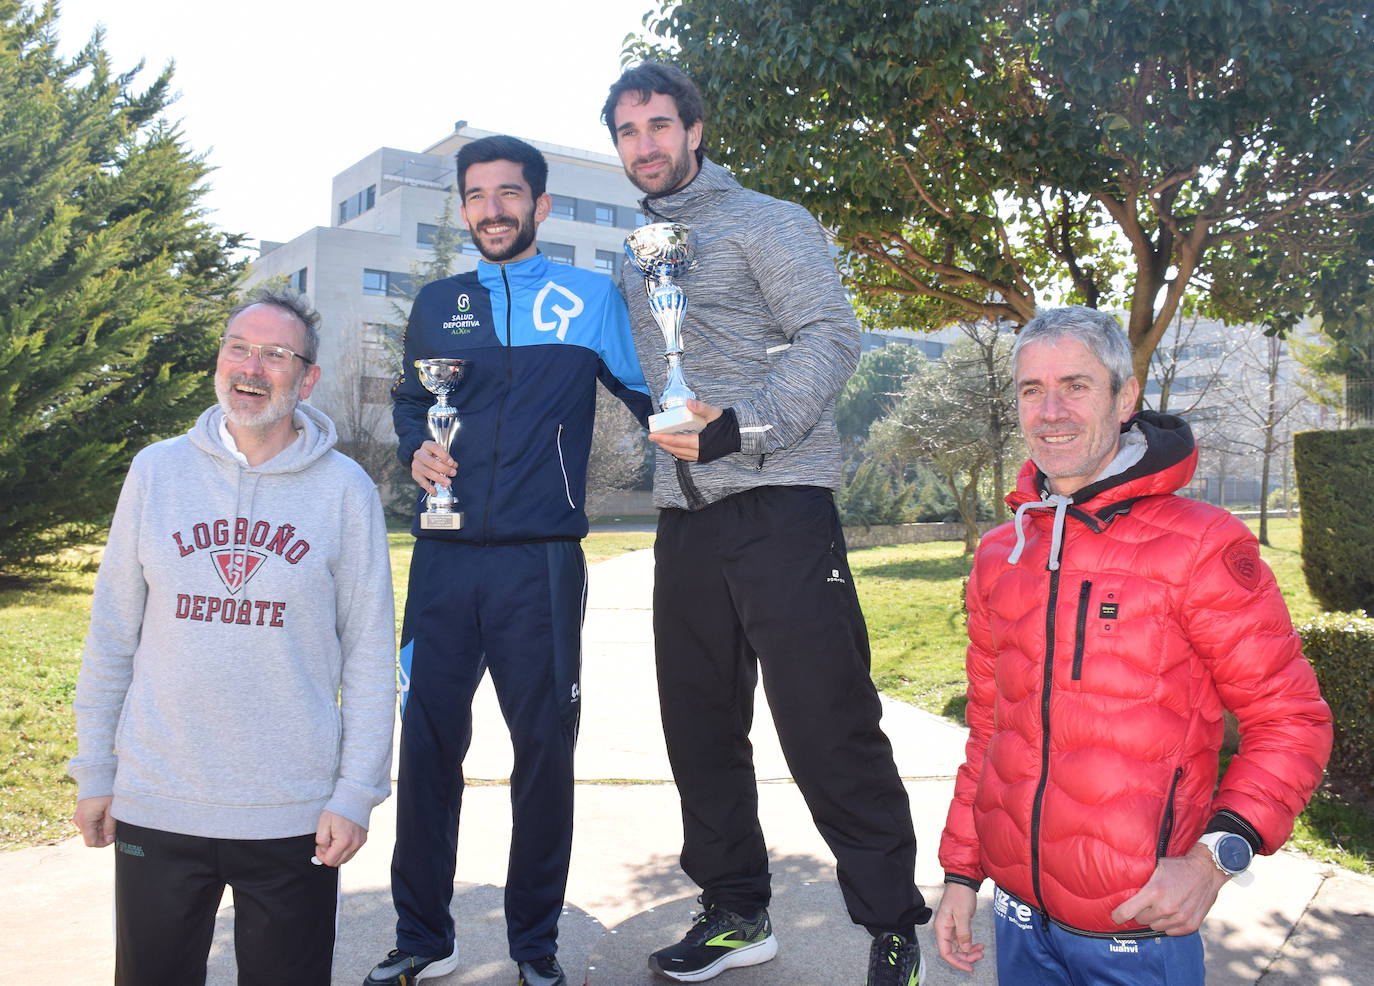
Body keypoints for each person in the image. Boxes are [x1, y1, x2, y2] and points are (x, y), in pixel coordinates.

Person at [600, 62, 931, 985]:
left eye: (659, 126)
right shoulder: (637, 250)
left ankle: (893, 927)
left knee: (828, 724)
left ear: (695, 130)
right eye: (628, 134)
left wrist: (739, 431)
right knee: (699, 729)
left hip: (781, 504)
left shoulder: (768, 222)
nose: (645, 147)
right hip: (684, 517)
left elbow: (831, 335)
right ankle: (737, 912)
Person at [932, 305, 1333, 984]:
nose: (1051, 410)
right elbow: (989, 731)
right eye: (1032, 390)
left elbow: (1291, 720)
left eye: (1076, 386)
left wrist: (1214, 860)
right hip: (1019, 922)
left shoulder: (1203, 545)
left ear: (1125, 398)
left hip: (1135, 931)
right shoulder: (1004, 551)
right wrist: (962, 872)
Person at [370, 134, 652, 986]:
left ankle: (534, 943)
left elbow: (652, 399)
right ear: (463, 207)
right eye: (477, 195)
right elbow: (415, 404)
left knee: (542, 755)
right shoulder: (437, 303)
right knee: (425, 747)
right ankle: (423, 935)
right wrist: (415, 448)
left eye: (508, 193)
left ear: (541, 205)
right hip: (444, 562)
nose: (492, 209)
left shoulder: (590, 298)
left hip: (542, 563)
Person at [68, 288, 397, 986]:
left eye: (276, 354)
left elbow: (371, 656)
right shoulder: (156, 472)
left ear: (306, 379)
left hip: (293, 815)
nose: (252, 366)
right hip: (159, 799)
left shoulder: (346, 492)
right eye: (239, 347)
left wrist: (355, 791)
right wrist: (96, 770)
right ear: (220, 360)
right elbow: (111, 635)